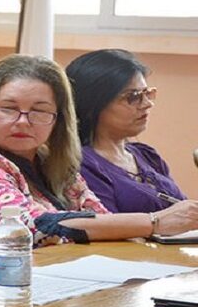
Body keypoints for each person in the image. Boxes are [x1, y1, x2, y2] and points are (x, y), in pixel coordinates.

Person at [0, 54, 198, 262]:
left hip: (53, 286)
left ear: (58, 120)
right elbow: (36, 226)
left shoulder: (51, 161)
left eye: (40, 111)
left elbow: (98, 216)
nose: (23, 122)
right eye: (8, 109)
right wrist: (155, 222)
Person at [66, 49, 187, 213]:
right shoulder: (82, 164)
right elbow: (109, 225)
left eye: (147, 93)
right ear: (92, 105)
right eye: (133, 96)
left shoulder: (147, 155)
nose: (147, 104)